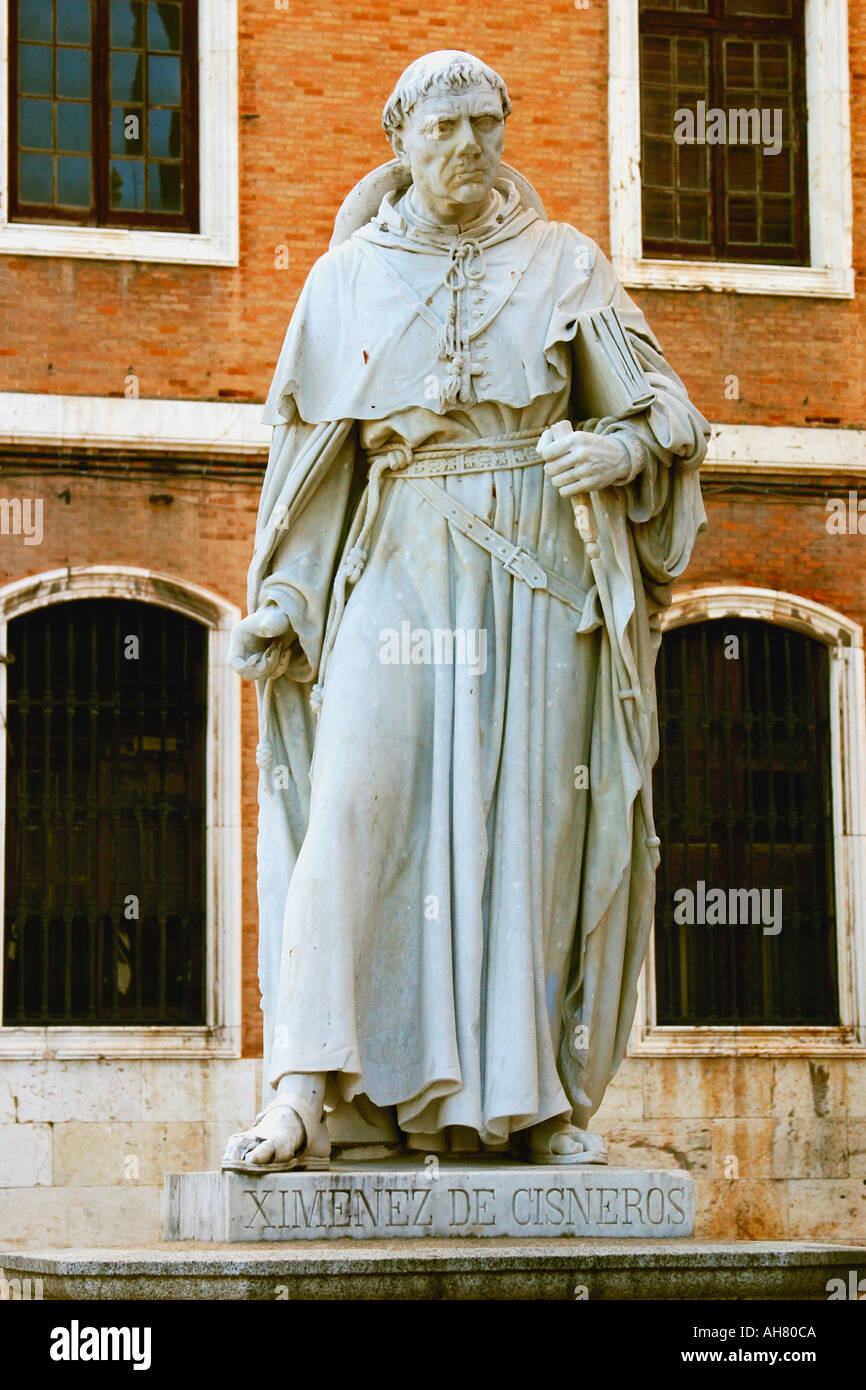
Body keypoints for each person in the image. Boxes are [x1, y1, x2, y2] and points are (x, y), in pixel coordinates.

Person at [223, 49, 708, 1173]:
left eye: (483, 125)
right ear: (397, 140)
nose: (466, 149)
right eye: (440, 130)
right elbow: (313, 476)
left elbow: (667, 413)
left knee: (523, 838)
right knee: (352, 804)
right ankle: (303, 1086)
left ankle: (524, 1104)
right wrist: (288, 601)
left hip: (534, 586)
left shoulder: (562, 267)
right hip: (397, 559)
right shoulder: (341, 282)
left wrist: (614, 447)